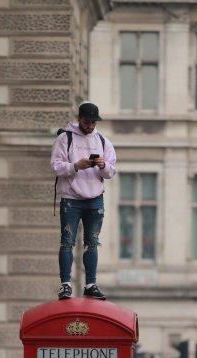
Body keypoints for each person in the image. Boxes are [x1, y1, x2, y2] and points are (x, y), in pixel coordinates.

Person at [50, 102, 117, 301]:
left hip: (95, 199)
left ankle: (90, 284)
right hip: (71, 198)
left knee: (92, 243)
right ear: (79, 119)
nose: (90, 126)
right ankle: (66, 285)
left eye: (93, 122)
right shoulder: (65, 138)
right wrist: (75, 166)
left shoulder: (103, 142)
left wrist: (102, 165)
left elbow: (112, 171)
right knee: (67, 242)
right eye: (87, 121)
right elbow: (55, 166)